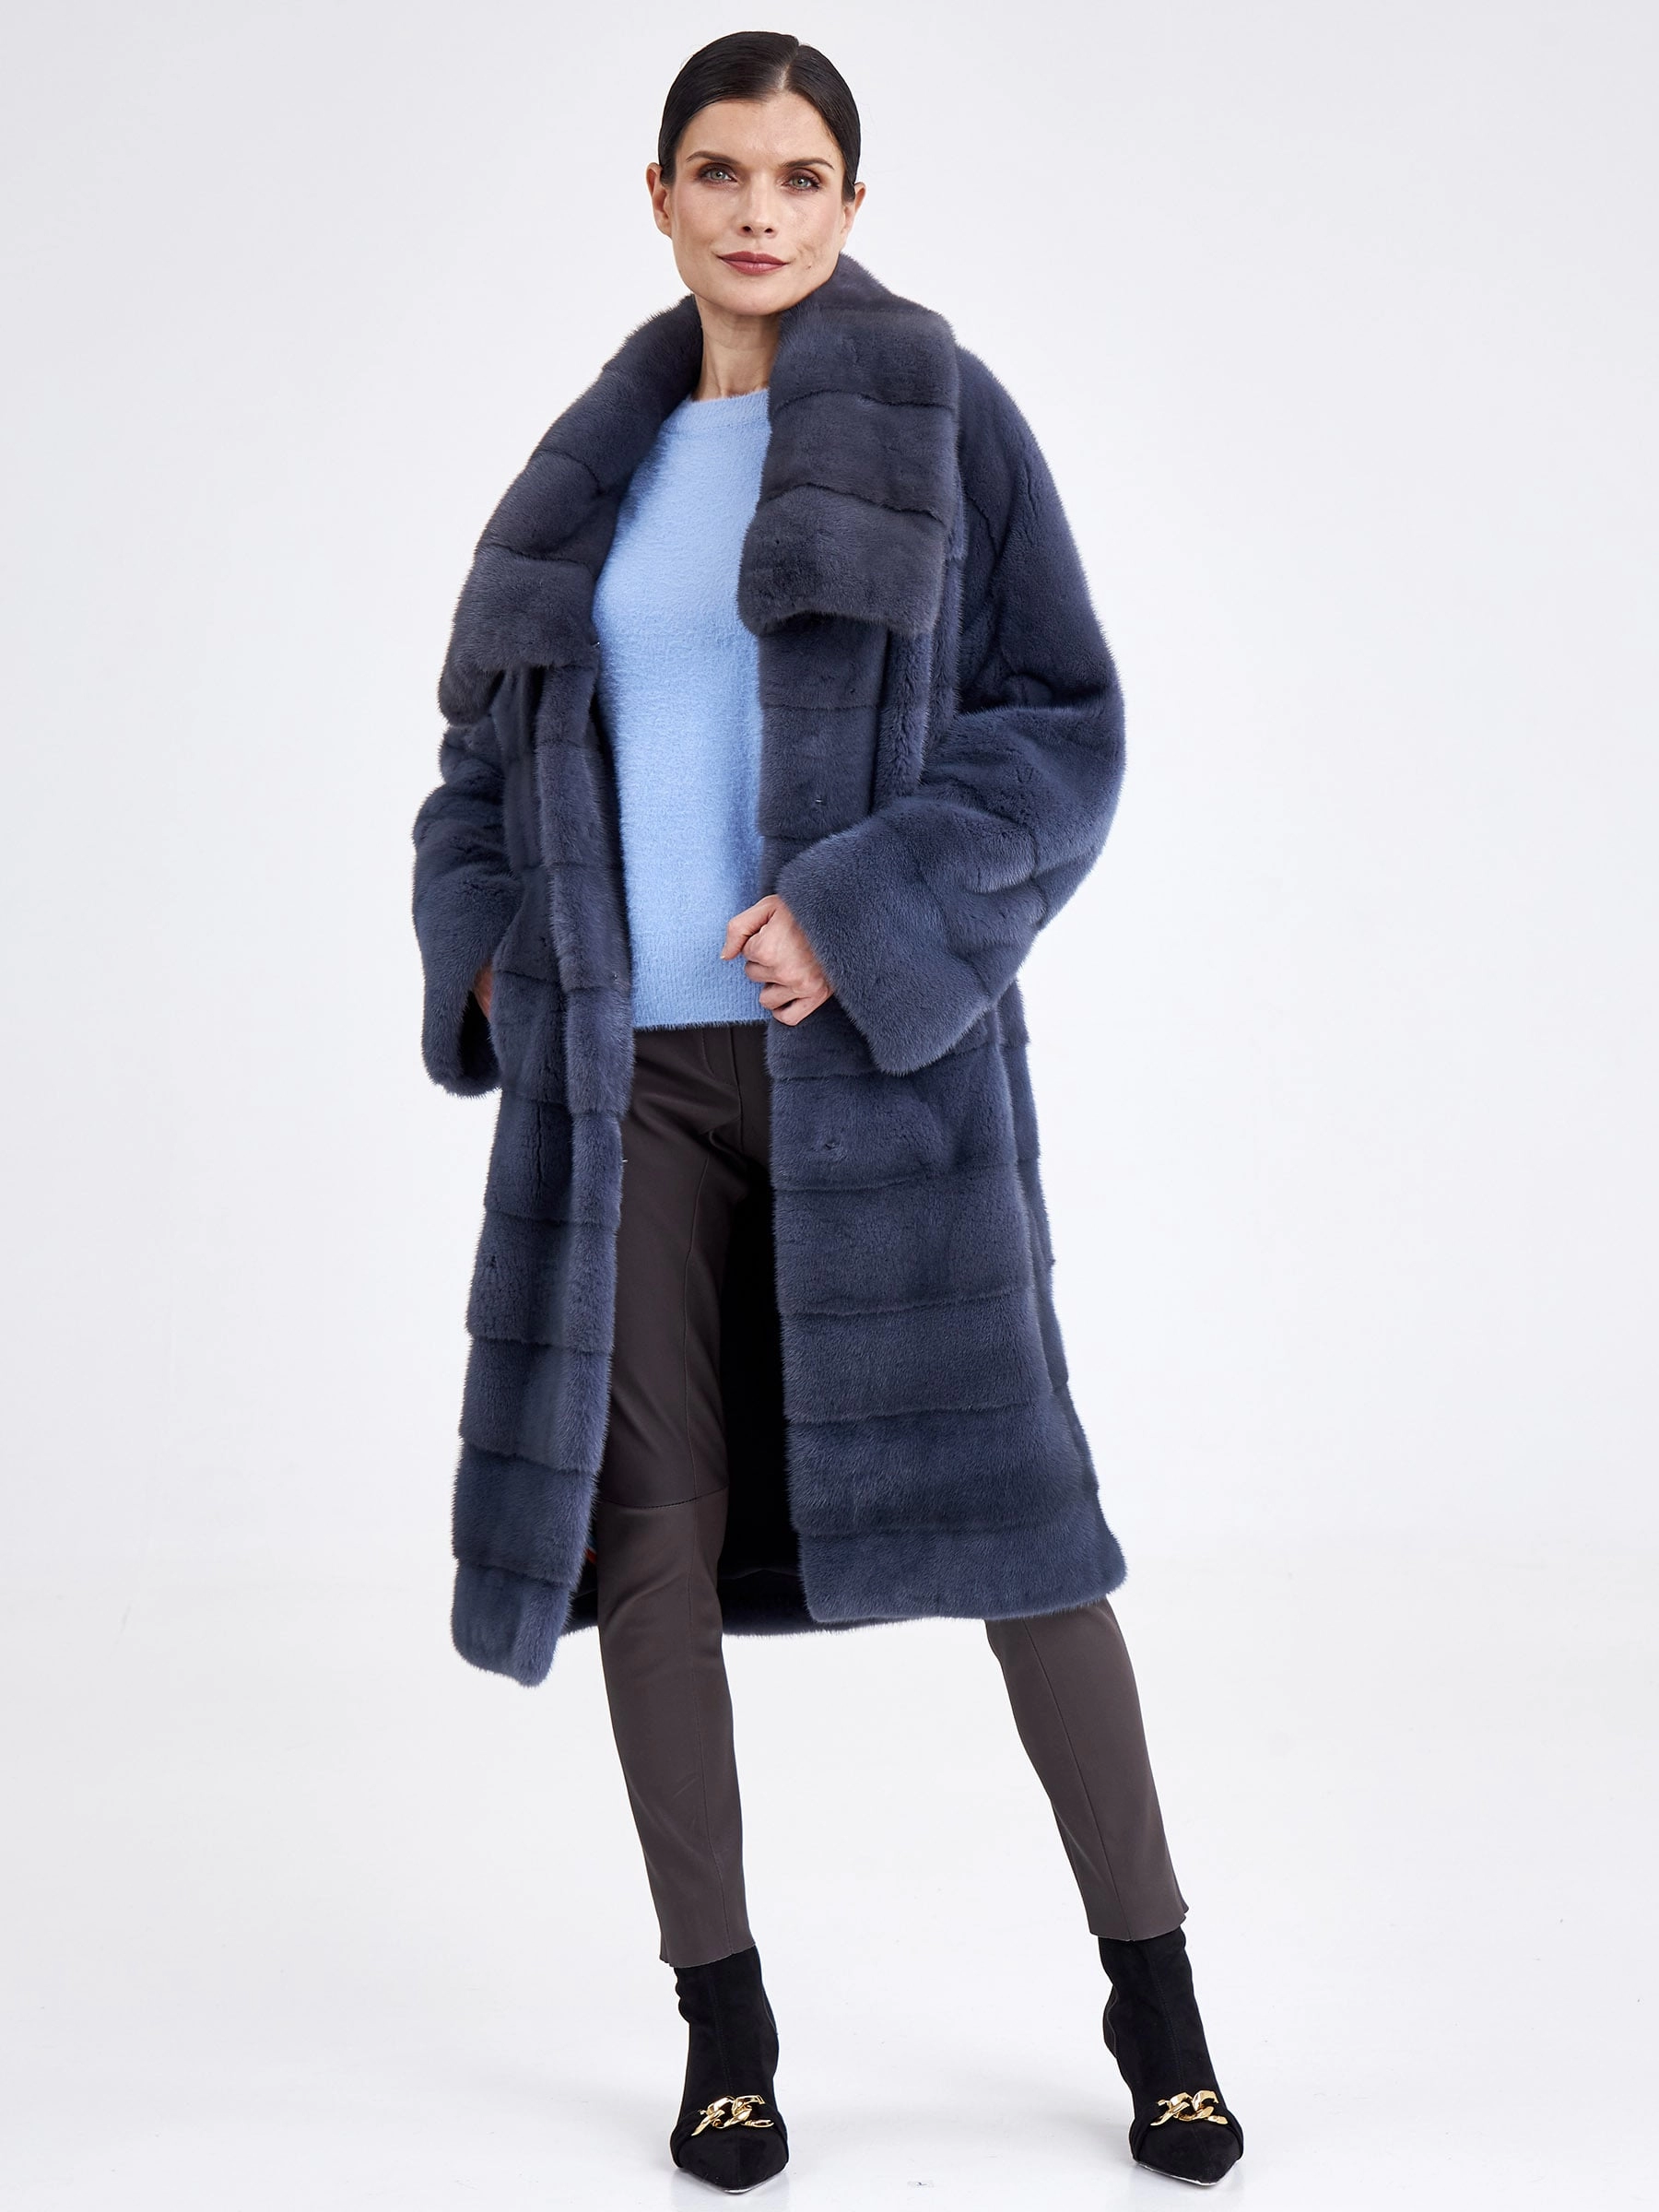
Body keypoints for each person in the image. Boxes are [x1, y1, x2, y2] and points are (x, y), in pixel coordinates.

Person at [412, 29, 1243, 2194]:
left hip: (882, 1085)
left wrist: (864, 913)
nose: (760, 210)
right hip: (628, 1093)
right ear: (661, 197)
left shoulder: (943, 419)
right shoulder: (585, 474)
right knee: (650, 1543)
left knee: (1031, 1545)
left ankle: (1157, 2001)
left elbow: (1062, 726)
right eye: (722, 171)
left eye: (800, 175)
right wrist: (495, 961)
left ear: (852, 202)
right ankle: (725, 2023)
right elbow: (477, 774)